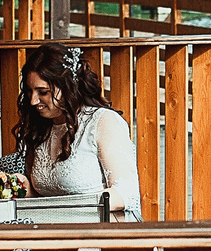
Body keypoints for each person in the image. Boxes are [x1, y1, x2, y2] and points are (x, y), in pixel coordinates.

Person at [11, 42, 141, 220]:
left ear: (68, 87)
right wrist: (19, 185)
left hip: (96, 231)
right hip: (48, 230)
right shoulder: (42, 126)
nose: (33, 101)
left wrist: (65, 206)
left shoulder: (103, 122)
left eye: (43, 92)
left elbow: (126, 194)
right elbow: (43, 195)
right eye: (29, 91)